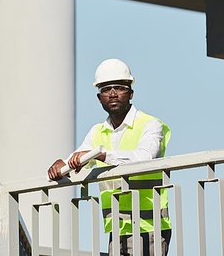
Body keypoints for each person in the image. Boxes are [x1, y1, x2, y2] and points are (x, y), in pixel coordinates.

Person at [48, 58, 172, 256]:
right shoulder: (97, 132)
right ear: (99, 98)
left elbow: (144, 157)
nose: (113, 93)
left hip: (149, 225)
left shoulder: (150, 124)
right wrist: (61, 164)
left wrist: (104, 155)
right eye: (106, 89)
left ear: (130, 94)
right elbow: (76, 160)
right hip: (117, 227)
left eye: (119, 88)